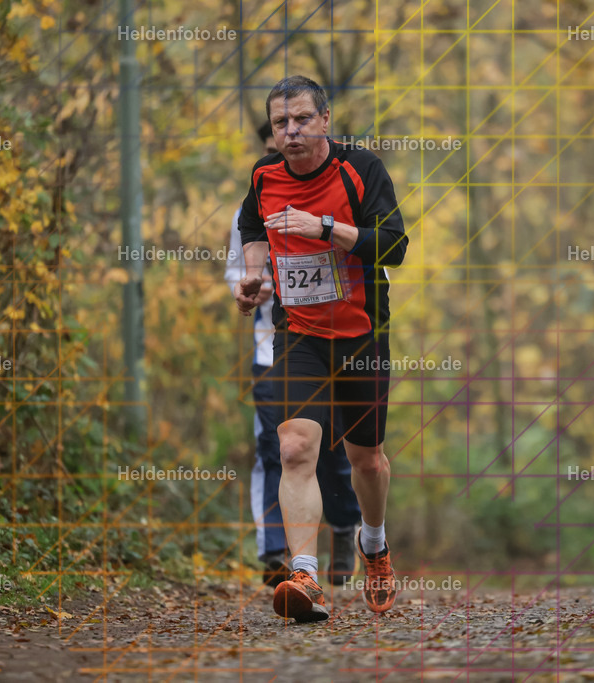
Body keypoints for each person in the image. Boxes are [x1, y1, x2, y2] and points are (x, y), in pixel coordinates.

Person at [235, 75, 408, 623]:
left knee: (367, 461)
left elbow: (396, 245)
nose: (291, 131)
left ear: (326, 121)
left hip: (361, 334)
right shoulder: (264, 176)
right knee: (293, 449)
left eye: (302, 119)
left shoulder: (360, 170)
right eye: (282, 122)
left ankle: (374, 548)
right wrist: (256, 276)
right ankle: (305, 574)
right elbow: (250, 222)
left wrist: (325, 227)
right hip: (300, 334)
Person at [225, 121, 362, 589]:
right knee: (279, 449)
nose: (280, 156)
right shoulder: (251, 208)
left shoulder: (336, 198)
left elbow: (369, 257)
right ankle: (276, 556)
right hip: (275, 348)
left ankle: (346, 527)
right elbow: (235, 274)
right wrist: (252, 287)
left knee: (334, 453)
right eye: (270, 149)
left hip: (339, 346)